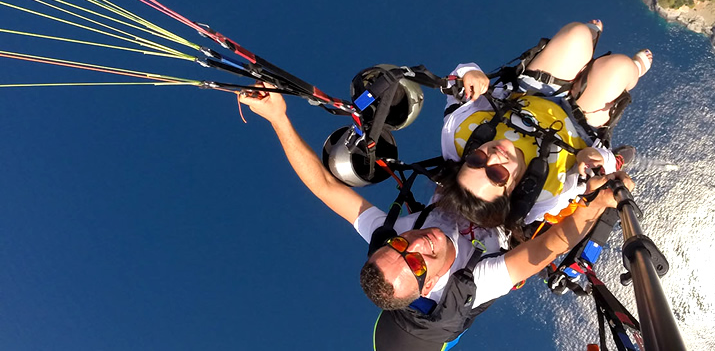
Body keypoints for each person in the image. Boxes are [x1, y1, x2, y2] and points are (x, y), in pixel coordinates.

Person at [238, 86, 635, 350]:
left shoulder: (392, 237)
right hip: (512, 212)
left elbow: (325, 187)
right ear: (429, 285)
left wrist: (278, 117)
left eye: (398, 246)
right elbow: (542, 251)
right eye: (415, 263)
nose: (414, 244)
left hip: (471, 182)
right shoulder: (466, 287)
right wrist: (597, 205)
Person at [435, 20, 651, 232]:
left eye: (475, 160)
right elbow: (596, 177)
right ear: (513, 189)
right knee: (618, 67)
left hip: (531, 94)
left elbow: (457, 87)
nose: (491, 156)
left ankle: (589, 39)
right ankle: (634, 69)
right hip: (578, 126)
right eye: (496, 174)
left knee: (577, 34)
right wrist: (597, 157)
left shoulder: (459, 134)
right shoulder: (546, 195)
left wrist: (469, 75)